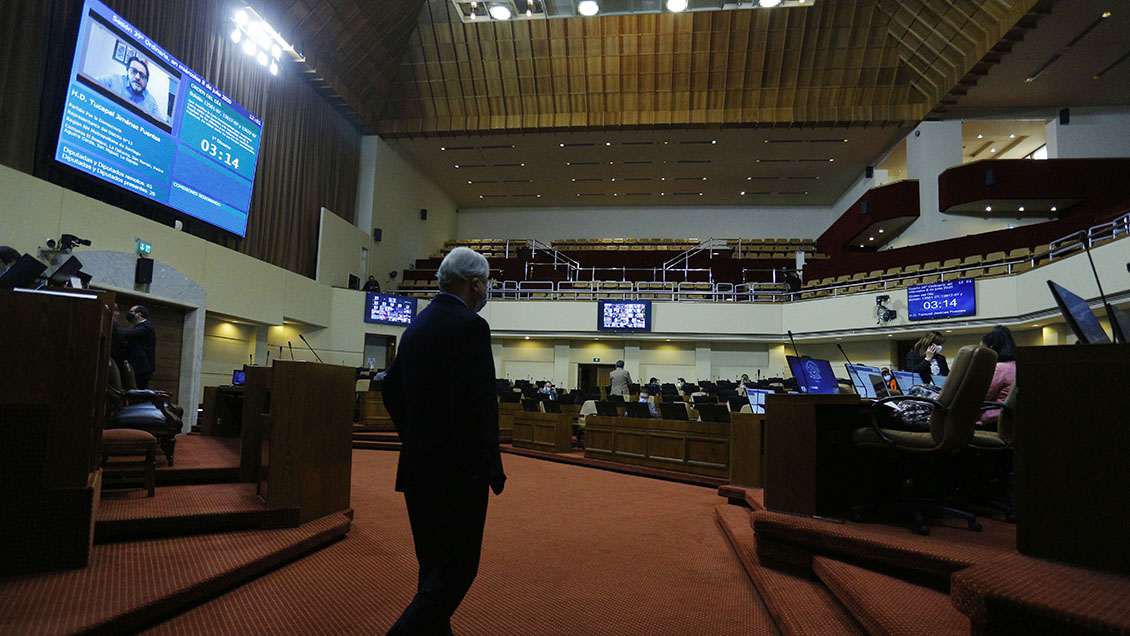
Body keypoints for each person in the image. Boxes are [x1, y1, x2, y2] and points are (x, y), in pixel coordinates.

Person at [383, 246, 506, 636]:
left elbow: (390, 390)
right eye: (486, 283)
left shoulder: (415, 325)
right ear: (474, 284)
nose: (487, 290)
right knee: (457, 568)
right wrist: (485, 466)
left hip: (418, 467)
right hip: (457, 473)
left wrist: (416, 437)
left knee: (432, 564)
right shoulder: (470, 325)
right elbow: (478, 405)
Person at [99, 55, 165, 122]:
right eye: (133, 71)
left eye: (142, 76)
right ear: (128, 72)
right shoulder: (113, 80)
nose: (137, 77)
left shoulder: (151, 103)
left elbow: (161, 126)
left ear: (147, 81)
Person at [977, 326, 1016, 428]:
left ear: (990, 349)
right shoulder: (1015, 365)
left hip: (992, 422)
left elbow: (980, 397)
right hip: (1009, 421)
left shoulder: (999, 369)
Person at [116, 304, 156, 389]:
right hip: (139, 367)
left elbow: (128, 334)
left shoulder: (146, 326)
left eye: (131, 312)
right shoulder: (139, 327)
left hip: (141, 368)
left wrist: (113, 327)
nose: (128, 314)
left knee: (139, 392)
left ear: (139, 314)